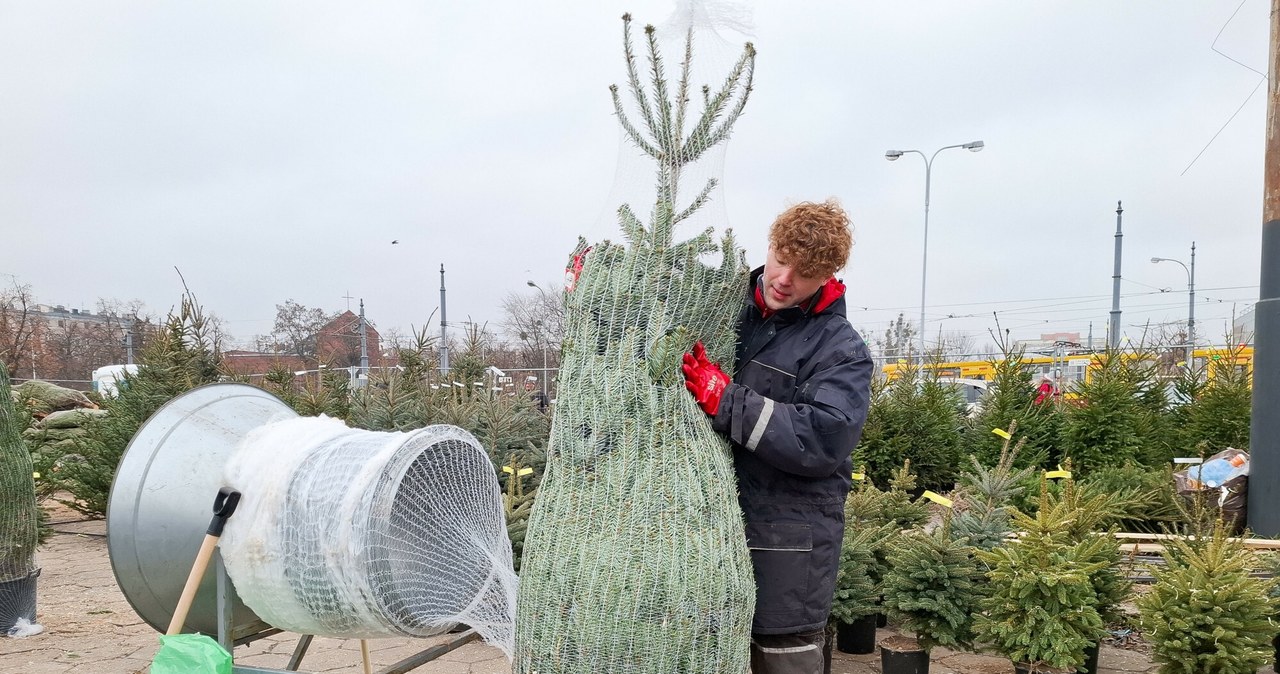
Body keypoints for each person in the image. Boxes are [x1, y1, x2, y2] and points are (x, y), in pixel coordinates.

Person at [681, 199, 874, 674]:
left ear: (827, 276)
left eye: (804, 273)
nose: (784, 279)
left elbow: (822, 439)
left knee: (782, 662)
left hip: (786, 545)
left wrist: (726, 400)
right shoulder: (718, 309)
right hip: (699, 535)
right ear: (769, 246)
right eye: (781, 259)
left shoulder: (840, 349)